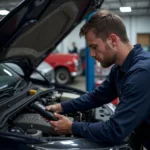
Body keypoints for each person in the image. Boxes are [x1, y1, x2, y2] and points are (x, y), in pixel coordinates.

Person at [46, 10, 150, 149]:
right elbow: (96, 97)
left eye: (94, 47)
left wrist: (72, 127)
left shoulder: (142, 72)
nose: (92, 54)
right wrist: (61, 107)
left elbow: (115, 130)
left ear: (113, 40)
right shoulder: (119, 68)